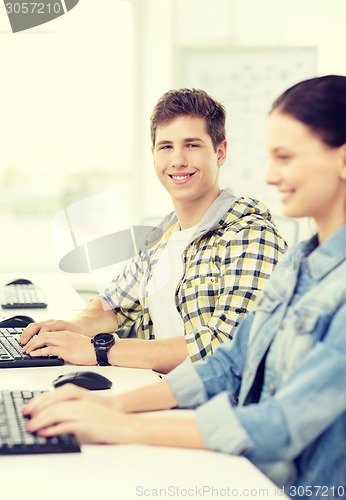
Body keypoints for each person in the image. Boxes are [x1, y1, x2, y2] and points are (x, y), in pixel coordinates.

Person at [24, 75, 346, 498]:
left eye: (285, 158)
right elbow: (228, 363)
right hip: (238, 461)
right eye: (166, 146)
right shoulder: (298, 266)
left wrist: (124, 419)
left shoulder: (256, 238)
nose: (269, 176)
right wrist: (111, 404)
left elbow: (281, 423)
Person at [20, 88, 286, 373]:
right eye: (166, 146)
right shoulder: (164, 236)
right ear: (154, 154)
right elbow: (114, 304)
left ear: (220, 152)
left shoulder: (250, 235)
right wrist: (72, 328)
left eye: (192, 145)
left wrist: (98, 350)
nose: (178, 160)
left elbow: (222, 347)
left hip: (216, 411)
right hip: (160, 395)